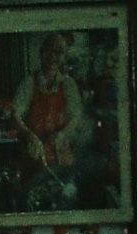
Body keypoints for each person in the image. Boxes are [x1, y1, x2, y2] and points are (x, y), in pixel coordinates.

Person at [13, 33, 89, 173]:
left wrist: (63, 134)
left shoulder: (68, 84)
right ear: (42, 53)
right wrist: (30, 137)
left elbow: (76, 117)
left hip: (61, 156)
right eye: (49, 51)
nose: (53, 57)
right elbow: (16, 115)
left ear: (64, 56)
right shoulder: (28, 83)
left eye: (59, 52)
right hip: (33, 156)